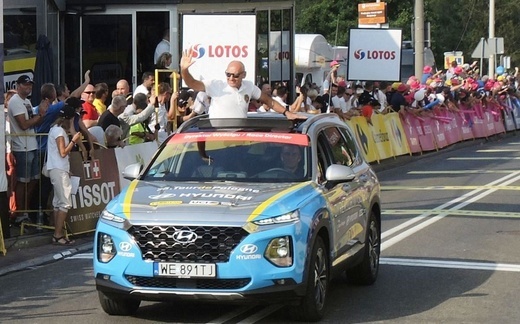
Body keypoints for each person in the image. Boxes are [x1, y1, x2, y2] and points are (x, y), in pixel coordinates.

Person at [180, 50, 301, 119]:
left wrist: (287, 113)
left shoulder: (249, 86)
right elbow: (192, 83)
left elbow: (270, 101)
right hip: (217, 137)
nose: (231, 78)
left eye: (236, 75)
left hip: (239, 138)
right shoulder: (216, 85)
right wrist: (184, 70)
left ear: (244, 75)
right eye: (228, 74)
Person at [8, 75, 50, 224]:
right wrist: (40, 115)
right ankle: (20, 213)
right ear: (18, 85)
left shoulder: (26, 101)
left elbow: (34, 122)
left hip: (32, 144)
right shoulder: (15, 102)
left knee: (33, 180)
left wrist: (42, 114)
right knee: (23, 181)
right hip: (22, 147)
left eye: (30, 85)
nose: (29, 87)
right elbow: (24, 125)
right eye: (25, 85)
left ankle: (25, 210)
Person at [46, 105, 81, 245]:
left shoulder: (55, 129)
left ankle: (57, 233)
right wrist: (74, 140)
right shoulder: (59, 132)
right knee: (65, 203)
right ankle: (58, 234)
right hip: (59, 170)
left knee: (58, 203)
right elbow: (62, 152)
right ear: (69, 118)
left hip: (58, 169)